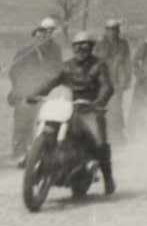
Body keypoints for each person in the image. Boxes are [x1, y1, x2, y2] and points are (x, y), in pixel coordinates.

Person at [29, 30, 115, 194]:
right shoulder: (66, 66)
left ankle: (108, 178)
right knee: (48, 121)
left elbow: (107, 86)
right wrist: (35, 94)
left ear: (91, 47)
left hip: (91, 108)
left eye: (85, 46)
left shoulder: (99, 65)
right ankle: (35, 158)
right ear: (73, 48)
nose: (81, 49)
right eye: (77, 46)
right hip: (70, 107)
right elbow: (51, 81)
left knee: (100, 141)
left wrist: (98, 102)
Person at [7, 18, 63, 164]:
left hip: (46, 93)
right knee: (22, 124)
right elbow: (14, 71)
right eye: (43, 32)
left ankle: (36, 154)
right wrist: (22, 88)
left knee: (42, 122)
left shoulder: (55, 50)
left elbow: (58, 70)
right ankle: (19, 154)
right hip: (25, 93)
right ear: (36, 34)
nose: (45, 36)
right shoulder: (25, 51)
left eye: (50, 32)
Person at [95, 19, 132, 143]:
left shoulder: (123, 44)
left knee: (117, 108)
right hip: (103, 82)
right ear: (106, 31)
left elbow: (127, 62)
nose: (113, 32)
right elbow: (95, 62)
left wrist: (127, 79)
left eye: (115, 29)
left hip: (117, 82)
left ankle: (118, 135)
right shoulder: (100, 44)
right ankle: (101, 135)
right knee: (102, 107)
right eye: (110, 29)